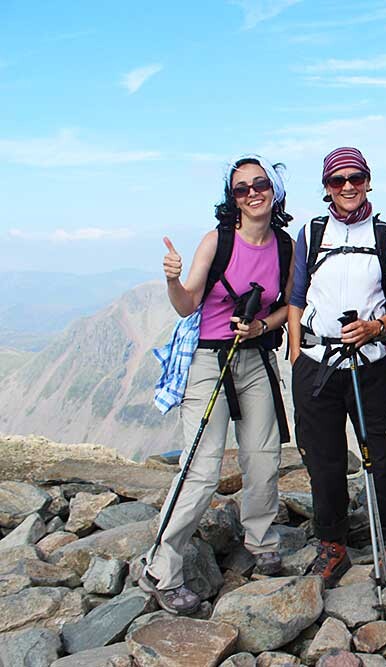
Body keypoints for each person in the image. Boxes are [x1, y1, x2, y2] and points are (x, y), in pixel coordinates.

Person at [143, 154, 295, 615]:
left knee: (263, 455)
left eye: (260, 184)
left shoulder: (286, 247)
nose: (252, 194)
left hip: (254, 358)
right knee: (202, 468)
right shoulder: (217, 242)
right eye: (241, 189)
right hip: (208, 362)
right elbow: (188, 305)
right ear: (231, 199)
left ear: (275, 190)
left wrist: (259, 327)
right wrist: (173, 279)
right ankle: (159, 568)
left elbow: (285, 307)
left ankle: (262, 540)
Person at [288, 146, 386, 588]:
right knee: (321, 459)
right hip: (316, 362)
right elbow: (297, 296)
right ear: (326, 188)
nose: (347, 187)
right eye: (337, 180)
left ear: (368, 180)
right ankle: (332, 543)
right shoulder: (311, 231)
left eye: (355, 178)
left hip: (369, 362)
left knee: (380, 455)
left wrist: (376, 328)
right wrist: (295, 349)